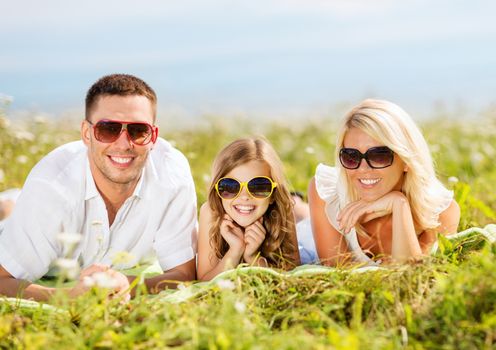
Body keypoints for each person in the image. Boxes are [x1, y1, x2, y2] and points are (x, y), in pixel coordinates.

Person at [0, 74, 197, 301]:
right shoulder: (51, 187)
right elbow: (3, 278)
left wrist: (126, 286)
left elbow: (182, 274)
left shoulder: (172, 176)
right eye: (108, 129)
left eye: (138, 131)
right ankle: (8, 205)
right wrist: (68, 296)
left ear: (153, 136)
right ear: (86, 133)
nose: (123, 144)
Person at [308, 99, 460, 266]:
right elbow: (338, 275)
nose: (363, 169)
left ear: (407, 161)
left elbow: (411, 278)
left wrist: (399, 204)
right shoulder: (327, 195)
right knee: (297, 210)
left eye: (378, 156)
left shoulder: (439, 212)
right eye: (351, 156)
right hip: (306, 238)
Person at [197, 137, 300, 280]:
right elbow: (204, 281)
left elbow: (293, 277)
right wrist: (235, 251)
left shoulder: (283, 208)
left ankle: (300, 202)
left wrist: (253, 257)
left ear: (273, 194)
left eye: (259, 187)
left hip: (297, 217)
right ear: (217, 190)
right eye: (230, 186)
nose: (244, 196)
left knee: (301, 210)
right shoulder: (210, 212)